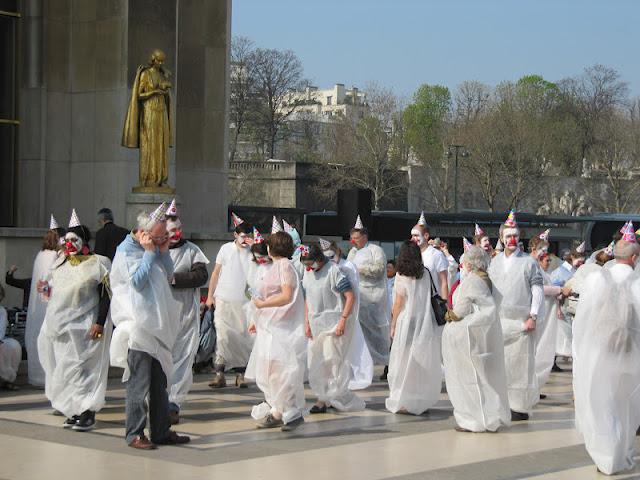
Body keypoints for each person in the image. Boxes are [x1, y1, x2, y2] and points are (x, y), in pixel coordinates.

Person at [109, 204, 189, 450]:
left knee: (159, 383)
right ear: (143, 233)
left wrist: (163, 251)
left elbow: (167, 275)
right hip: (138, 327)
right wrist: (148, 252)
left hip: (157, 325)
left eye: (164, 235)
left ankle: (161, 431)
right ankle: (134, 433)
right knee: (138, 384)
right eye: (159, 236)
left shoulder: (153, 248)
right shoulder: (126, 251)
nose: (162, 239)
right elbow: (137, 283)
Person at [37, 210, 112, 432]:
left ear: (83, 241)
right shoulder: (59, 264)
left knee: (84, 370)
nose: (69, 244)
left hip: (85, 327)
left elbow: (106, 294)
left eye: (74, 240)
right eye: (67, 240)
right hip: (60, 328)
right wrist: (45, 290)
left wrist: (99, 322)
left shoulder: (98, 263)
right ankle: (74, 409)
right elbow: (51, 291)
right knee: (66, 370)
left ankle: (87, 411)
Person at [573, 229, 640, 475]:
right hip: (632, 355)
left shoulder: (597, 279)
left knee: (603, 402)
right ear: (634, 257)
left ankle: (606, 455)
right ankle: (622, 453)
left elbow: (583, 320)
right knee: (627, 405)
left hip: (601, 352)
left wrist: (581, 351)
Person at [443, 246, 510, 432]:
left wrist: (449, 316)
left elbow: (461, 310)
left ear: (468, 263)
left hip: (470, 336)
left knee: (469, 378)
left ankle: (473, 419)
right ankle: (489, 417)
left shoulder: (471, 281)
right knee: (485, 377)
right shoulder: (487, 279)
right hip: (485, 335)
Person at [245, 231, 306, 432]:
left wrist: (263, 305)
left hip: (282, 328)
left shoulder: (286, 266)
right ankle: (278, 410)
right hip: (270, 326)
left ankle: (289, 412)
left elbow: (287, 296)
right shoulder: (276, 267)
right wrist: (258, 318)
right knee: (269, 369)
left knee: (281, 370)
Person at [488, 211, 543, 421]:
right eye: (508, 236)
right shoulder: (494, 262)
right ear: (501, 238)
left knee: (520, 366)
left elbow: (537, 289)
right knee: (500, 364)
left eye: (515, 235)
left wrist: (533, 316)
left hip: (521, 323)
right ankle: (501, 402)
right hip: (499, 322)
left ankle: (518, 406)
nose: (512, 239)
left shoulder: (529, 263)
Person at [301, 244, 365, 413]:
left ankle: (328, 397)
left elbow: (349, 296)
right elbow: (308, 299)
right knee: (316, 362)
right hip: (316, 324)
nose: (308, 267)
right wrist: (307, 322)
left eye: (311, 263)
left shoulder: (334, 271)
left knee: (332, 361)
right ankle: (323, 395)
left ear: (320, 259)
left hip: (333, 324)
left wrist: (343, 320)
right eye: (306, 264)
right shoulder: (308, 274)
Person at [165, 200, 209, 425]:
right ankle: (158, 399)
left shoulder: (192, 250)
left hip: (185, 315)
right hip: (161, 316)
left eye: (178, 229)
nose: (176, 233)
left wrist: (175, 279)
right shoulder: (155, 251)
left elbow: (201, 276)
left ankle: (174, 402)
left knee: (182, 359)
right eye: (171, 230)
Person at [385, 241, 441, 415]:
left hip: (406, 322)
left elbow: (399, 303)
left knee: (403, 361)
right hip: (424, 322)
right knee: (419, 362)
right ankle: (418, 398)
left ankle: (404, 399)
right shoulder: (426, 273)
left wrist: (392, 325)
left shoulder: (401, 275)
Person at [205, 213, 253, 388]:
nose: (245, 239)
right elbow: (216, 272)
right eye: (242, 236)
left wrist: (256, 247)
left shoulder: (253, 252)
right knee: (223, 336)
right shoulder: (225, 249)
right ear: (235, 235)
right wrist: (210, 296)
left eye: (248, 236)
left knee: (241, 337)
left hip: (243, 302)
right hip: (223, 299)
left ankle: (240, 374)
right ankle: (219, 373)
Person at [321, 238, 373, 390]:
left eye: (332, 256)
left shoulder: (348, 266)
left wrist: (349, 314)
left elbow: (354, 291)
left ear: (337, 252)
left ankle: (349, 374)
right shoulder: (326, 268)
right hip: (331, 312)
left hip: (346, 311)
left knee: (349, 344)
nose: (330, 260)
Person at [347, 215, 390, 365]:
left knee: (378, 331)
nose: (354, 241)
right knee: (361, 332)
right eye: (352, 238)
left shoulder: (375, 250)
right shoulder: (352, 253)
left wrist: (359, 270)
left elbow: (379, 269)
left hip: (374, 297)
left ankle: (385, 360)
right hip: (359, 297)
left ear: (364, 236)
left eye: (356, 237)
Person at [24, 217, 62, 387]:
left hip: (35, 303)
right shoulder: (54, 256)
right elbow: (52, 278)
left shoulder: (39, 255)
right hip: (47, 300)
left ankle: (35, 375)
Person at [552, 242, 586, 369]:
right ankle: (553, 362)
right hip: (563, 306)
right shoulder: (560, 271)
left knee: (571, 335)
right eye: (579, 261)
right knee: (560, 336)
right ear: (572, 257)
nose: (581, 264)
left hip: (574, 307)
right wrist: (557, 308)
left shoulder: (577, 270)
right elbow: (555, 291)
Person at [410, 213, 449, 299]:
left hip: (432, 303)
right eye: (412, 236)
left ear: (426, 236)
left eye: (416, 235)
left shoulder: (436, 255)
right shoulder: (411, 255)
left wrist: (445, 304)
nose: (413, 239)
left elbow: (444, 281)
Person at [0, 285, 21, 390]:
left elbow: (1, 329)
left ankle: (8, 379)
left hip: (1, 340)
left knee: (13, 346)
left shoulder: (1, 311)